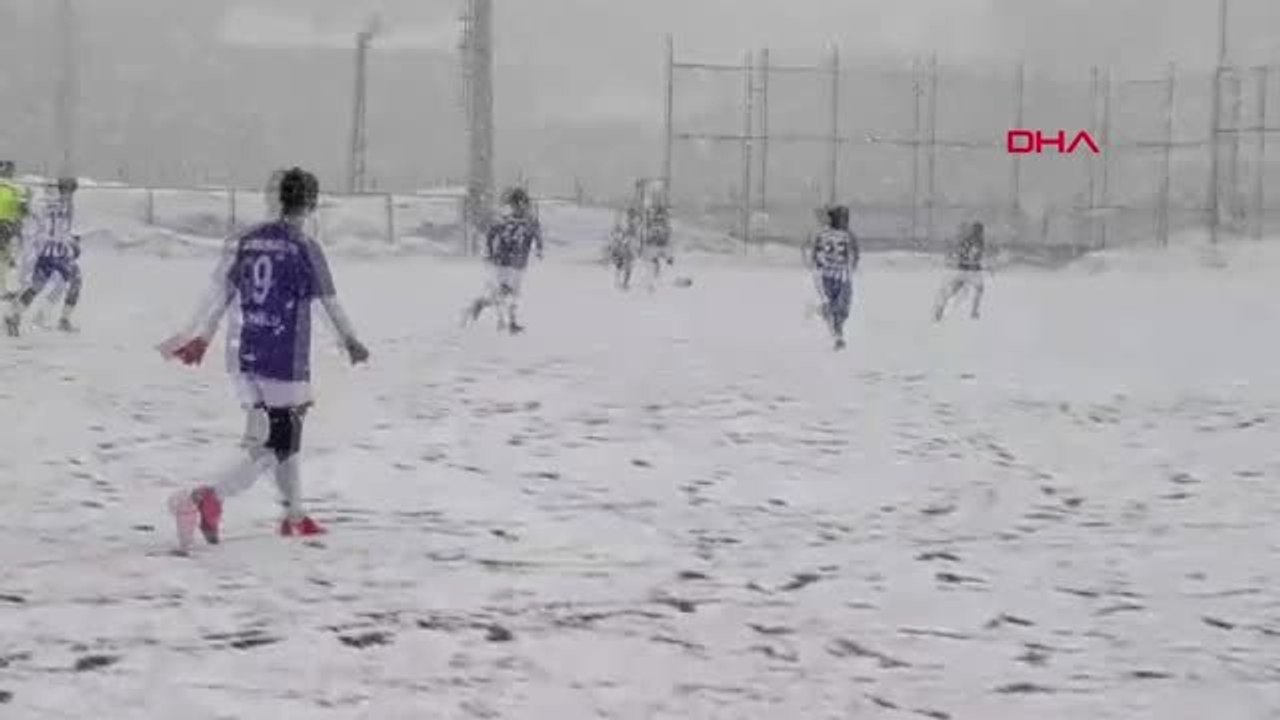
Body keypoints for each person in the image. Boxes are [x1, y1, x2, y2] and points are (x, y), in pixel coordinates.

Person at [161, 167, 369, 552]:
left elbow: (222, 291)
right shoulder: (304, 248)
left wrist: (202, 337)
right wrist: (351, 341)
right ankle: (205, 498)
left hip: (248, 350)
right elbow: (328, 302)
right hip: (284, 355)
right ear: (311, 202)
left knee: (278, 436)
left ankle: (294, 516)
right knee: (279, 443)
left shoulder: (249, 241)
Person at [5, 177, 81, 336]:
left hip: (46, 254)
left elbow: (31, 213)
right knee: (75, 281)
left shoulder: (45, 206)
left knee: (36, 287)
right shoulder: (62, 206)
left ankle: (14, 316)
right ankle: (63, 320)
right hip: (58, 255)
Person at [464, 187, 543, 334]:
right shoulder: (504, 221)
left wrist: (539, 249)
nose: (520, 207)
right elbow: (490, 235)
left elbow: (538, 236)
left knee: (514, 295)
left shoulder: (531, 221)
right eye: (516, 204)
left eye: (522, 203)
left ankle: (486, 308)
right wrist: (488, 252)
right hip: (502, 262)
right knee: (504, 291)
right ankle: (505, 322)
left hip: (520, 264)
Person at [809, 204, 859, 350]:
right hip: (834, 277)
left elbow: (854, 253)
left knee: (838, 308)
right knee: (838, 309)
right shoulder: (834, 235)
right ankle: (838, 336)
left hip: (836, 276)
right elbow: (817, 256)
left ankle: (825, 317)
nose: (845, 221)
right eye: (843, 218)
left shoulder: (842, 235)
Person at [933, 220, 987, 321]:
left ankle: (941, 309)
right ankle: (974, 311)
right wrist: (974, 261)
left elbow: (961, 253)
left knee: (954, 290)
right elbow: (973, 255)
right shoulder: (978, 241)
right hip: (972, 271)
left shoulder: (967, 240)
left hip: (963, 270)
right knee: (979, 290)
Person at [0, 161, 31, 301]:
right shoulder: (16, 188)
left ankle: (3, 288)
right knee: (4, 258)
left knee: (5, 257)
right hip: (6, 225)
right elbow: (23, 211)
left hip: (8, 226)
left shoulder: (16, 188)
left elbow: (22, 211)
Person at [640, 203, 673, 290]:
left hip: (659, 246)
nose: (659, 220)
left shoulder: (664, 226)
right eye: (658, 217)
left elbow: (666, 234)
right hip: (654, 247)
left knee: (657, 264)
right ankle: (651, 284)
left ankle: (654, 282)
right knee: (652, 266)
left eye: (661, 218)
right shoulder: (654, 225)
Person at [609, 207, 639, 290]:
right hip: (624, 248)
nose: (632, 216)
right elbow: (617, 234)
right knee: (621, 266)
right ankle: (619, 283)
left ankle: (624, 283)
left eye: (633, 215)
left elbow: (634, 236)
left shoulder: (634, 224)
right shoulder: (625, 224)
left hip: (629, 248)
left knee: (628, 268)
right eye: (631, 214)